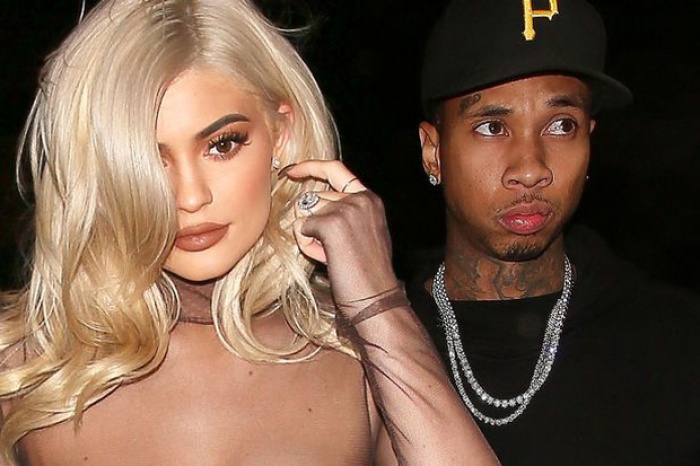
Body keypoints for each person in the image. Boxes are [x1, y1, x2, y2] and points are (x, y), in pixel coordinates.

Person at [0, 0, 500, 464]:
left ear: (281, 133)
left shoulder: (360, 356)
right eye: (148, 159)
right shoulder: (22, 366)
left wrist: (377, 300)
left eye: (222, 144)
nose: (191, 197)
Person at [408, 0, 700, 464]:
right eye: (492, 127)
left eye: (561, 126)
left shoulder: (676, 341)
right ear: (433, 151)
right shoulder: (367, 342)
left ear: (590, 139)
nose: (531, 169)